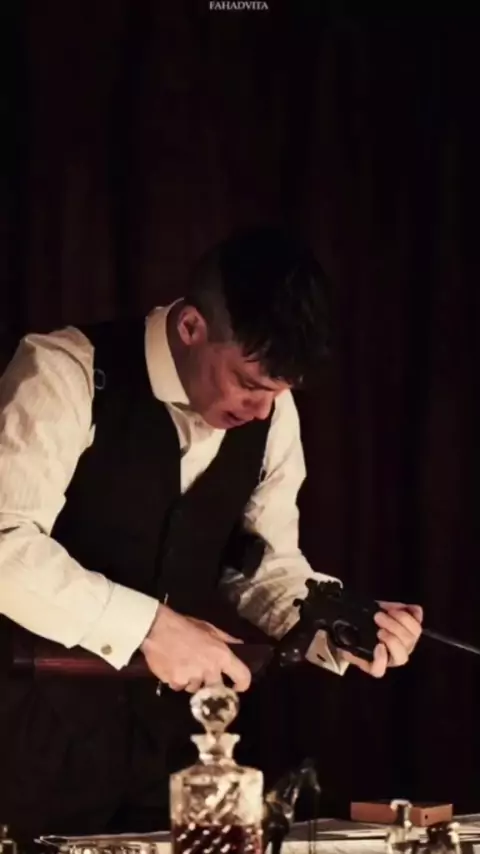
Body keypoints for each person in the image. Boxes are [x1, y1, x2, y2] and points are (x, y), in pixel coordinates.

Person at [0, 227, 422, 839]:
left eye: (279, 392)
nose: (262, 409)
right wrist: (153, 628)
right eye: (249, 384)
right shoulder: (65, 371)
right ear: (191, 327)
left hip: (169, 760)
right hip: (25, 751)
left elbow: (261, 567)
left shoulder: (272, 412)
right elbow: (5, 542)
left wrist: (339, 621)